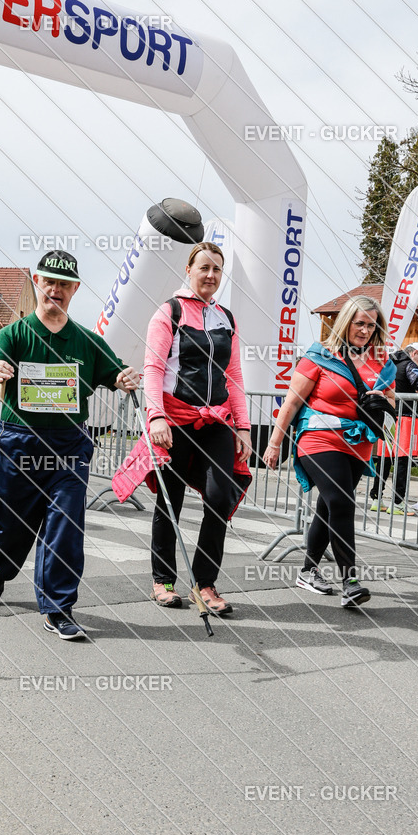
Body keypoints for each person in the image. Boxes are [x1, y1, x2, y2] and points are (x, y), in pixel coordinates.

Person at [0, 249, 139, 641]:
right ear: (37, 282)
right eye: (49, 281)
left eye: (64, 284)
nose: (56, 290)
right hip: (20, 442)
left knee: (66, 525)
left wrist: (124, 378)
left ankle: (58, 608)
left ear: (75, 289)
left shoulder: (87, 341)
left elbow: (115, 372)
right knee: (13, 527)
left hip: (68, 447)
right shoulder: (14, 334)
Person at [263, 295, 396, 607]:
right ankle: (350, 581)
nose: (365, 330)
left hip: (359, 443)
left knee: (328, 507)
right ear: (346, 322)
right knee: (341, 501)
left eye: (372, 325)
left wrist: (380, 402)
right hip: (319, 438)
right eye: (359, 323)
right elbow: (292, 402)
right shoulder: (319, 355)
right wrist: (274, 443)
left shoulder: (382, 361)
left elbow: (391, 404)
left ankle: (308, 571)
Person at [143, 241, 252, 615]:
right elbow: (153, 368)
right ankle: (163, 580)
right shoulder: (169, 311)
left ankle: (204, 584)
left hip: (216, 422)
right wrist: (156, 416)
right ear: (188, 270)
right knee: (169, 500)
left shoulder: (227, 318)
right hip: (175, 420)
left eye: (217, 269)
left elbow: (234, 376)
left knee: (220, 498)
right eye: (203, 267)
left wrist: (244, 427)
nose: (210, 275)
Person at [368, 341, 418, 515]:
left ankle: (376, 499)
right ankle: (398, 502)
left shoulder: (388, 363)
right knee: (402, 459)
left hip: (387, 416)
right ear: (414, 353)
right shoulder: (409, 365)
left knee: (384, 458)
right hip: (406, 416)